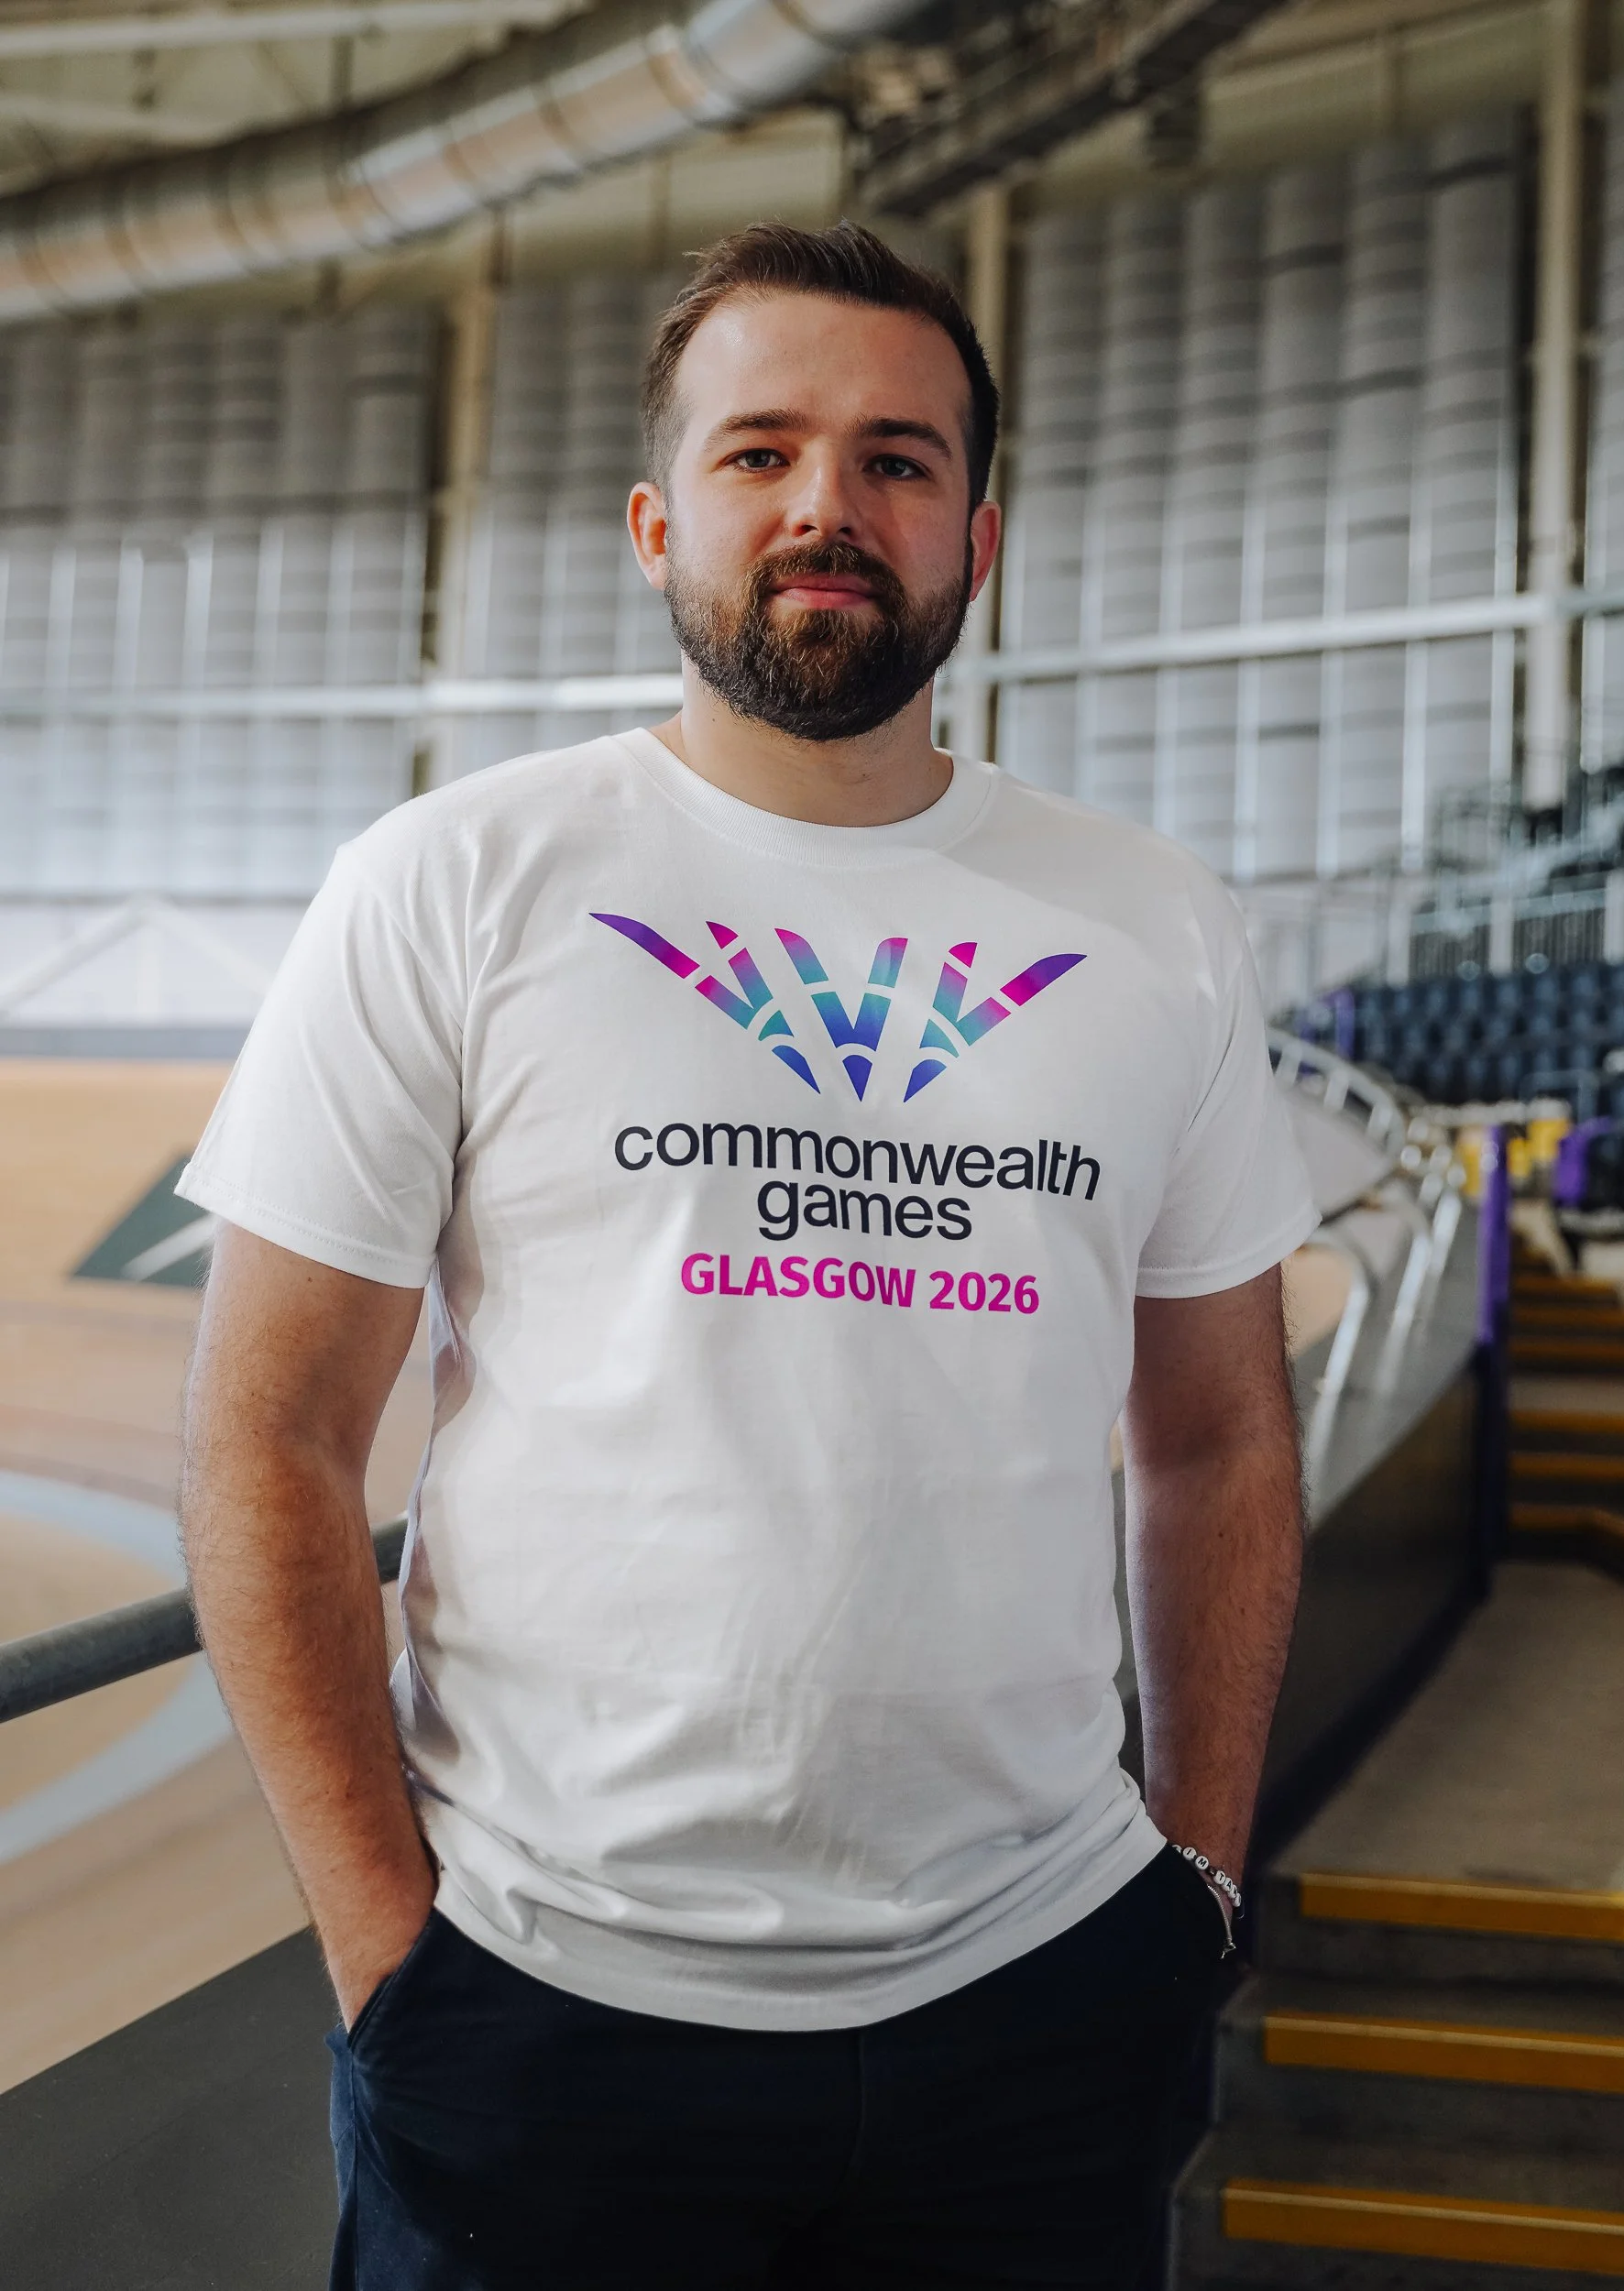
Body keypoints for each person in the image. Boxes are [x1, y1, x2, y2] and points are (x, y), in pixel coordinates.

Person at [177, 221, 1316, 2291]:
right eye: (758, 450)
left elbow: (1221, 1435)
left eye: (893, 459)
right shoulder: (455, 879)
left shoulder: (1153, 922)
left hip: (1040, 2000)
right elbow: (265, 1438)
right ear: (651, 519)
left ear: (976, 530)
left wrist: (1194, 1887)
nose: (823, 505)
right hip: (537, 2014)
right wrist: (385, 1951)